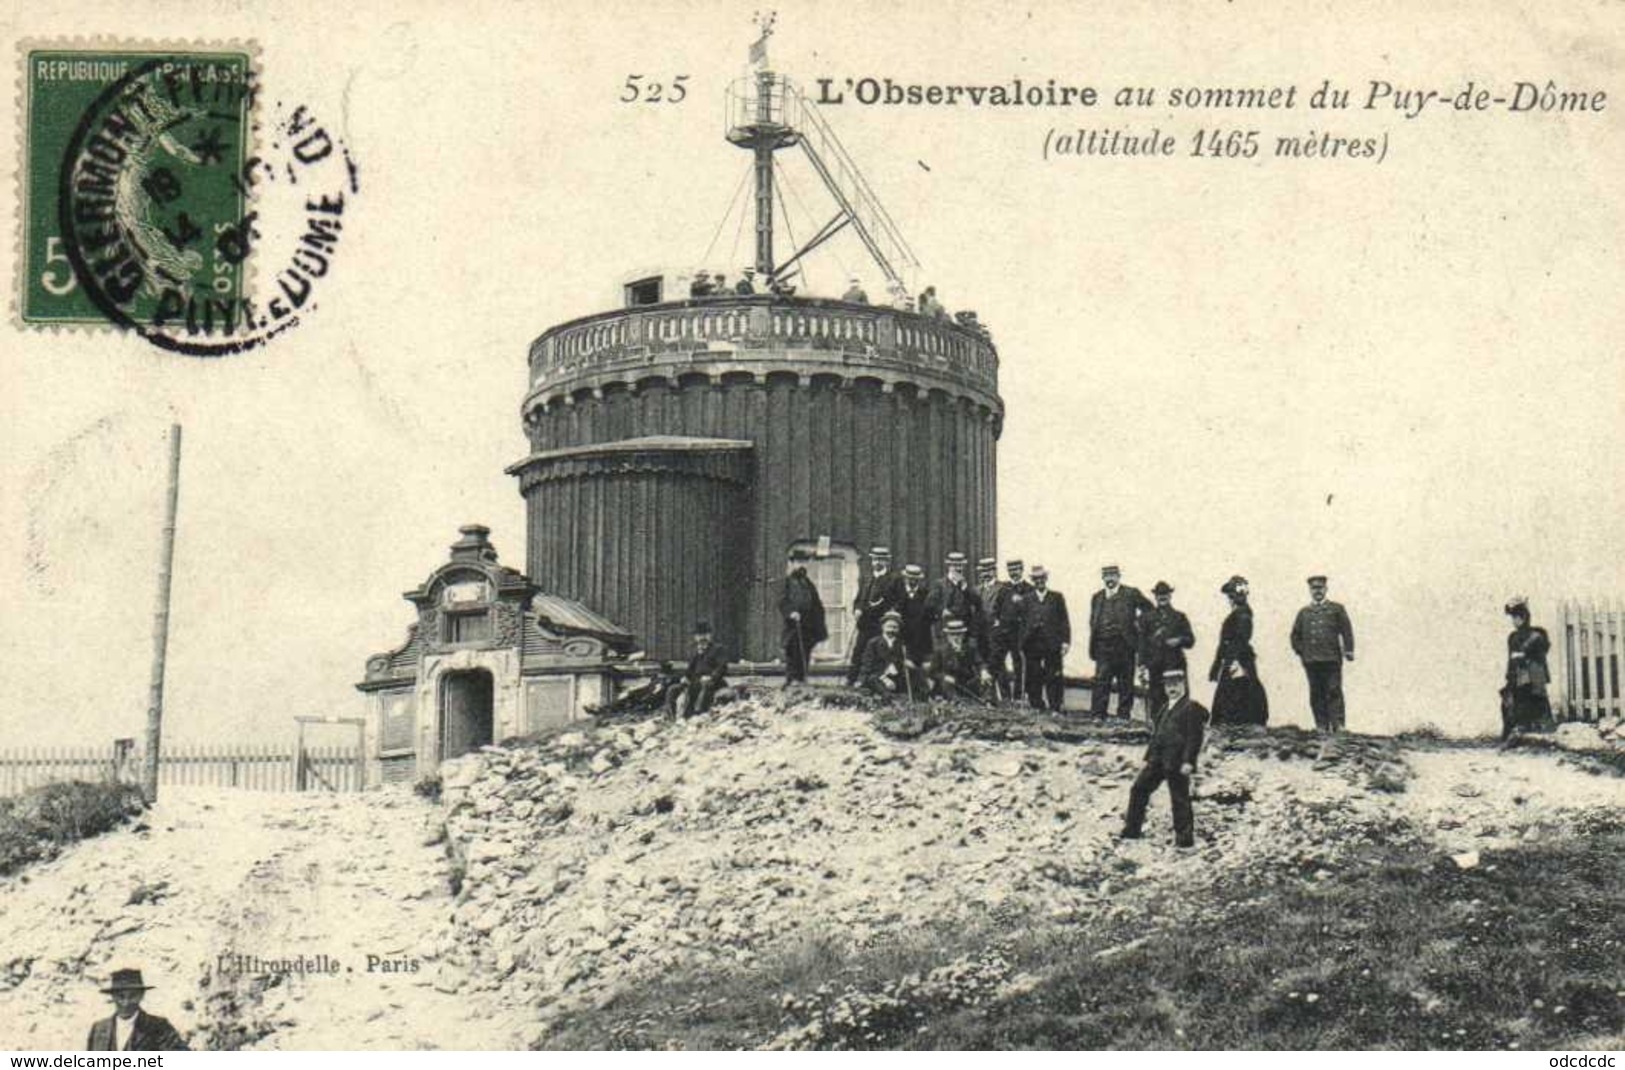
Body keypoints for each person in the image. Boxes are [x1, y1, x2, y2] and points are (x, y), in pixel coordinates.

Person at [1120, 670, 1209, 849]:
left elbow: (1194, 737)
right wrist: (1148, 757)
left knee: (1179, 798)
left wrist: (1188, 762)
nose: (1172, 689)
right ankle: (1132, 830)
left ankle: (1184, 841)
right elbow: (1157, 736)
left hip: (1177, 762)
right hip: (1157, 760)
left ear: (1184, 685)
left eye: (1176, 684)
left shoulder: (1191, 707)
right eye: (1168, 685)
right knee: (1138, 789)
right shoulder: (1164, 708)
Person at [1291, 574, 1355, 732]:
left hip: (1331, 657)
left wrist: (1349, 650)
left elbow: (1346, 630)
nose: (1317, 591)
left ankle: (1339, 725)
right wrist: (1302, 652)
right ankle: (1321, 725)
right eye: (1314, 588)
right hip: (1311, 660)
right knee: (1316, 692)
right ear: (1310, 591)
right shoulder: (1304, 612)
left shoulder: (1336, 609)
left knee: (1334, 690)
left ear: (1326, 589)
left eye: (1320, 588)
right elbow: (1295, 635)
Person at [1089, 565, 1152, 718]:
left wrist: (1137, 624)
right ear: (1103, 578)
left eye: (1113, 575)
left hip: (1125, 645)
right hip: (1103, 646)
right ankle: (1098, 715)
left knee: (1125, 682)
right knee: (1101, 680)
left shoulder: (1131, 593)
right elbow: (1093, 620)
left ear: (1118, 576)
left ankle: (1123, 716)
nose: (1110, 579)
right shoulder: (1097, 597)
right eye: (1106, 576)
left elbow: (1149, 610)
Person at [1210, 575, 1269, 726]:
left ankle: (1240, 726)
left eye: (1233, 595)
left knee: (1239, 691)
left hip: (1239, 659)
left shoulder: (1243, 614)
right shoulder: (1239, 613)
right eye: (1230, 595)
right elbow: (1224, 643)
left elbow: (1241, 639)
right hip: (1233, 658)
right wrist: (1217, 665)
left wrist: (1236, 661)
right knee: (1232, 693)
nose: (1231, 598)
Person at [86, 969, 188, 1051]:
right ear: (112, 997)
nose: (126, 1002)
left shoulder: (158, 1027)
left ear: (141, 995)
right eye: (120, 996)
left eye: (132, 996)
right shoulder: (99, 1029)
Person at [845, 546, 902, 686]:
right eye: (875, 559)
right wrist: (857, 609)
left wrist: (890, 615)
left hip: (881, 624)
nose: (877, 563)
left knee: (880, 652)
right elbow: (859, 599)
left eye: (881, 560)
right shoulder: (867, 578)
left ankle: (877, 682)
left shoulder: (894, 579)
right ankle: (853, 680)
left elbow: (900, 601)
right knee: (859, 650)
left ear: (887, 562)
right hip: (865, 623)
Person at [1137, 581, 1195, 715]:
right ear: (1155, 597)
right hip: (1155, 665)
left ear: (1170, 596)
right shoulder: (1146, 618)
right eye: (1159, 594)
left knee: (1178, 699)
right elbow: (1142, 643)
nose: (1162, 597)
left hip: (1175, 664)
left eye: (1165, 594)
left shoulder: (1179, 617)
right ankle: (1158, 731)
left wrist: (1179, 640)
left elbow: (1190, 640)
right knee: (1156, 700)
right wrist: (1141, 665)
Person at [1019, 564, 1071, 711]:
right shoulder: (1027, 599)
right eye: (1036, 579)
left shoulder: (1056, 597)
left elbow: (1064, 621)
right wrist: (1021, 642)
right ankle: (1037, 704)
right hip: (1032, 643)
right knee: (1033, 674)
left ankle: (1055, 706)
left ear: (1046, 579)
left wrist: (1065, 642)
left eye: (1042, 578)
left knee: (1053, 675)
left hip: (1052, 642)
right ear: (1033, 581)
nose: (1039, 581)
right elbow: (1022, 622)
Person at [1501, 596, 1554, 739]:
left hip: (1534, 674)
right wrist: (1509, 675)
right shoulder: (1513, 637)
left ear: (1524, 617)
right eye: (1513, 617)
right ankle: (1516, 732)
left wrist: (1525, 655)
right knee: (1513, 702)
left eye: (1517, 617)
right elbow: (1510, 658)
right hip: (1518, 675)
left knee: (1537, 702)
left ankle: (1539, 732)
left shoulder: (1538, 634)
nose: (1514, 621)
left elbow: (1543, 652)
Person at [987, 558, 1033, 701]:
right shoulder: (1004, 588)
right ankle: (1005, 696)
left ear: (1022, 570)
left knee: (1019, 664)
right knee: (998, 663)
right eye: (1011, 570)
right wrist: (996, 622)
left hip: (1020, 633)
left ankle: (1018, 697)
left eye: (1017, 569)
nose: (1014, 573)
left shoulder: (1029, 589)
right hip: (1004, 633)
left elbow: (1031, 611)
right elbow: (996, 607)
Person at [779, 565, 828, 685]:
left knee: (805, 651)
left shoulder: (808, 583)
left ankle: (801, 679)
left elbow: (816, 604)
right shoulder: (787, 582)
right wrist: (791, 612)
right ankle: (792, 679)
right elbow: (782, 601)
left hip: (808, 624)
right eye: (796, 563)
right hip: (794, 624)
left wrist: (818, 623)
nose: (799, 567)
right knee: (793, 651)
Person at [859, 610, 924, 700]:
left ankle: (914, 698)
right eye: (889, 626)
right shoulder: (873, 643)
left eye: (895, 627)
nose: (891, 630)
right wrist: (884, 679)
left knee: (914, 677)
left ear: (899, 629)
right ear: (883, 627)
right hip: (879, 676)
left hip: (897, 676)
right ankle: (891, 698)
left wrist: (908, 663)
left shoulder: (902, 644)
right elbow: (868, 664)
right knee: (873, 680)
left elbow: (906, 662)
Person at [925, 551, 985, 646]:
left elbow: (978, 604)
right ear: (949, 566)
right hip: (945, 628)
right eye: (955, 565)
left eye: (960, 566)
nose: (958, 568)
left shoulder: (967, 586)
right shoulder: (940, 584)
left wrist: (965, 590)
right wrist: (942, 611)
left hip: (963, 629)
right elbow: (929, 605)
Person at [671, 621, 729, 717]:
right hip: (696, 680)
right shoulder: (696, 651)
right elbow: (690, 668)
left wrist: (711, 677)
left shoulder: (718, 649)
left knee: (701, 688)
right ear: (695, 637)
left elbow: (722, 667)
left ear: (710, 635)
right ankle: (671, 716)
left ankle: (697, 714)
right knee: (672, 689)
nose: (702, 638)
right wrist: (685, 677)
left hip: (713, 682)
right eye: (699, 635)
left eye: (705, 635)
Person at [927, 616, 992, 701]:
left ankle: (988, 701)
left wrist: (984, 671)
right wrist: (944, 676)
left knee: (985, 679)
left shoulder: (970, 648)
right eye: (953, 634)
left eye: (959, 634)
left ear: (963, 635)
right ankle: (956, 701)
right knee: (946, 685)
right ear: (948, 636)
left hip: (965, 682)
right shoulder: (941, 651)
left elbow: (979, 662)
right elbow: (932, 672)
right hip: (948, 684)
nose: (956, 637)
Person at [897, 563, 934, 666]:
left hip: (922, 638)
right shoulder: (899, 593)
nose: (912, 580)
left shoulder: (926, 594)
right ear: (905, 578)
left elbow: (931, 616)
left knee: (924, 669)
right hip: (904, 638)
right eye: (910, 578)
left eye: (915, 578)